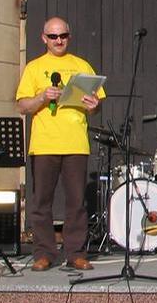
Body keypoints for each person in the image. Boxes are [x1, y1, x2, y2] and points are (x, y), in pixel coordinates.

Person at [16, 17, 104, 272]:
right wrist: (42, 97)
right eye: (53, 36)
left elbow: (96, 106)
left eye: (63, 36)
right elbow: (23, 106)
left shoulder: (81, 65)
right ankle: (44, 253)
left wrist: (94, 106)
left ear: (69, 37)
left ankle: (75, 253)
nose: (58, 41)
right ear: (44, 38)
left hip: (75, 143)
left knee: (76, 202)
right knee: (41, 202)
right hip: (44, 143)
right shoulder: (34, 67)